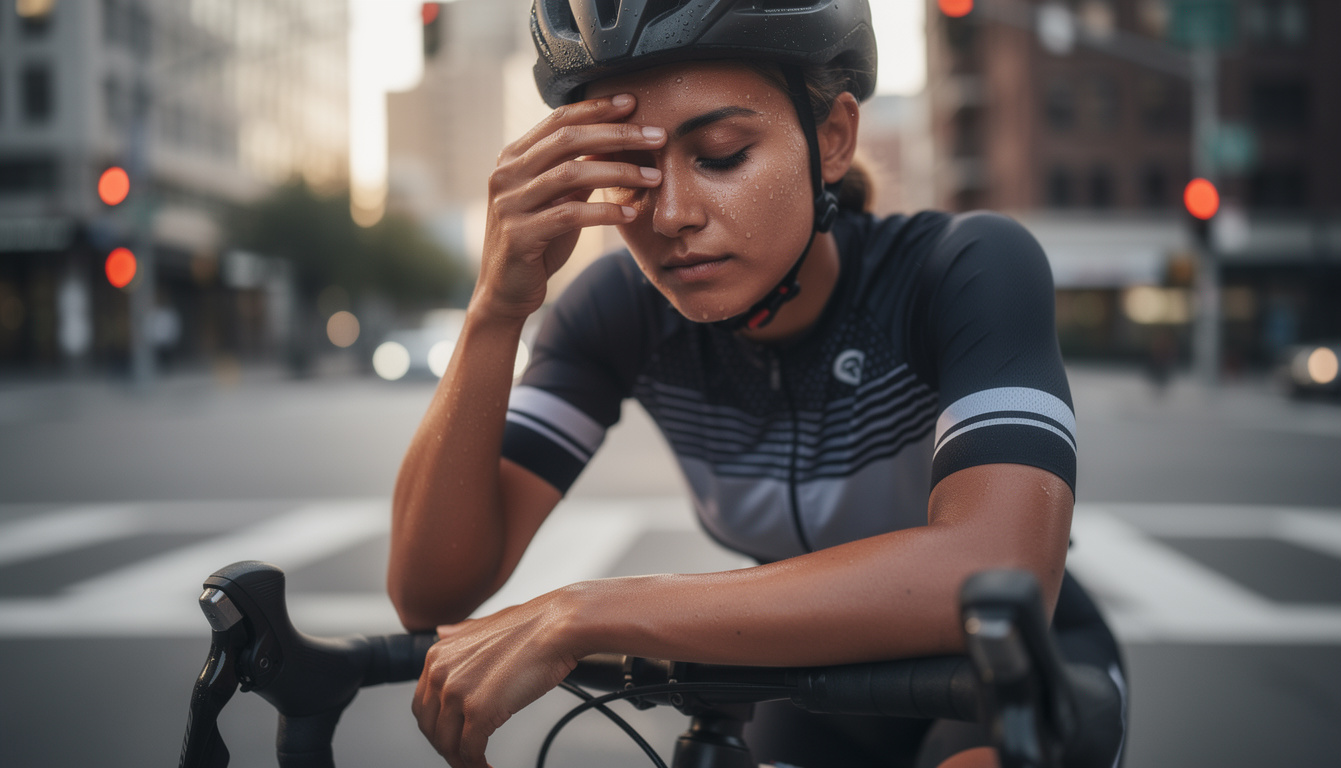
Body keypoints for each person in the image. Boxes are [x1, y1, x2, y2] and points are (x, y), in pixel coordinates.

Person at [390, 2, 1126, 767]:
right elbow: (431, 591)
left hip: (1013, 679)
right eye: (635, 170)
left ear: (832, 139)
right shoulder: (614, 315)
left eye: (721, 154)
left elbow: (997, 569)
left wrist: (585, 612)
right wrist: (496, 308)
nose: (671, 214)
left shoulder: (963, 270)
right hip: (810, 686)